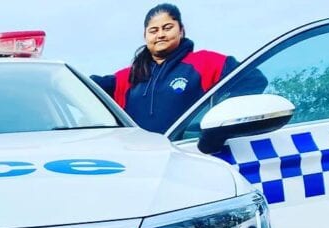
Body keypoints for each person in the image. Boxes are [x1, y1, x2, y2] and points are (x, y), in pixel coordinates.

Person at [91, 4, 241, 133]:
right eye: (153, 30)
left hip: (191, 153)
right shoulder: (128, 77)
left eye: (167, 28)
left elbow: (252, 80)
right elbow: (80, 90)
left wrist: (220, 126)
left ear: (181, 30)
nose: (160, 35)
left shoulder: (206, 63)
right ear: (145, 36)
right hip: (139, 158)